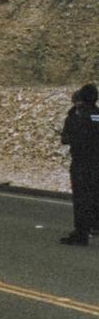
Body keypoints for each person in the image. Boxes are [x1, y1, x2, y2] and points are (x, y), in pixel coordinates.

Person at [60, 83, 99, 246]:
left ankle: (81, 233)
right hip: (96, 163)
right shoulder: (97, 115)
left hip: (81, 163)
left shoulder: (77, 117)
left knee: (81, 198)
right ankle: (95, 225)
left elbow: (66, 138)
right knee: (95, 195)